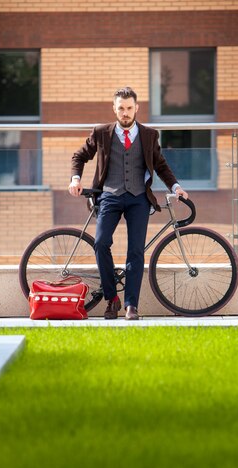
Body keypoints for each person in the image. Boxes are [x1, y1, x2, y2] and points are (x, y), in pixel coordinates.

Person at [68, 86, 188, 321]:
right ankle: (111, 299)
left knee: (135, 251)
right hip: (110, 195)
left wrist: (176, 187)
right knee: (101, 243)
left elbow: (161, 165)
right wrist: (75, 179)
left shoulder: (149, 135)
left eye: (129, 108)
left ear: (137, 108)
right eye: (121, 108)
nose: (125, 113)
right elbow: (79, 156)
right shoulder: (101, 132)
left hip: (138, 198)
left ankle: (131, 305)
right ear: (114, 109)